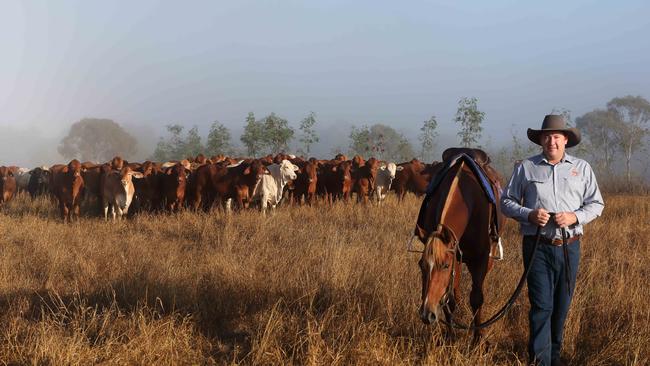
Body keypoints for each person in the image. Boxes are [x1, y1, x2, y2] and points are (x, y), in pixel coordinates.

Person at [501, 115, 604, 366]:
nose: (552, 141)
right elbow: (506, 202)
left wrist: (574, 217)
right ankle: (540, 361)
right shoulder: (526, 167)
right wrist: (529, 214)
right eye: (547, 136)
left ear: (566, 140)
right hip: (537, 248)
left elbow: (597, 204)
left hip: (570, 247)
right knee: (541, 306)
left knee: (561, 307)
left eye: (557, 136)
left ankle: (554, 357)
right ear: (540, 140)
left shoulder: (581, 168)